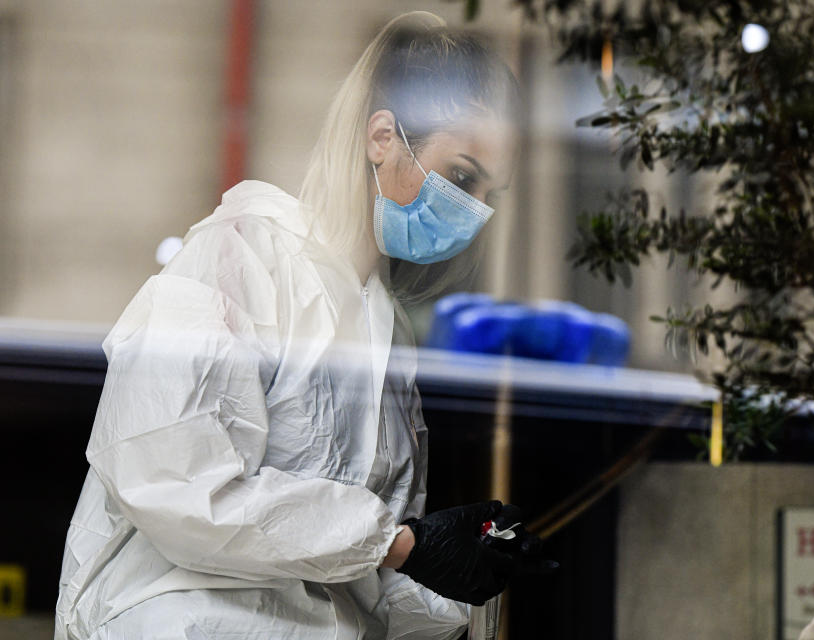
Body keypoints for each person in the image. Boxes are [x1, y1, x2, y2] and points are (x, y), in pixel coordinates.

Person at [55, 11, 533, 639]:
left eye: (489, 195)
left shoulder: (384, 333)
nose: (473, 213)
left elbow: (355, 575)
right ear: (382, 138)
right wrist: (401, 545)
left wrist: (459, 565)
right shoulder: (240, 258)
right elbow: (178, 486)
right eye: (463, 177)